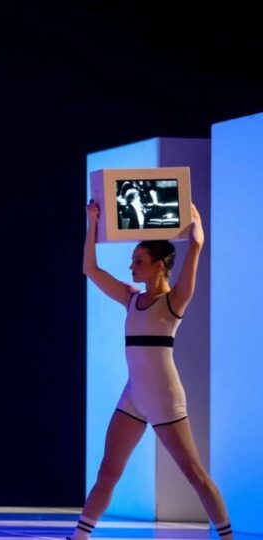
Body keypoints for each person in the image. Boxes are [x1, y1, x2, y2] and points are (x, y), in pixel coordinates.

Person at [75, 200, 232, 540]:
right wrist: (92, 221)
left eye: (139, 261)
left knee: (195, 475)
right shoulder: (130, 298)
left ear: (159, 266)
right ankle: (79, 537)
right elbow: (90, 269)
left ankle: (228, 537)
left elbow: (196, 245)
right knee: (108, 472)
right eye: (133, 261)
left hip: (164, 399)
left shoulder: (175, 301)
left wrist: (196, 230)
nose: (131, 267)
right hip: (133, 397)